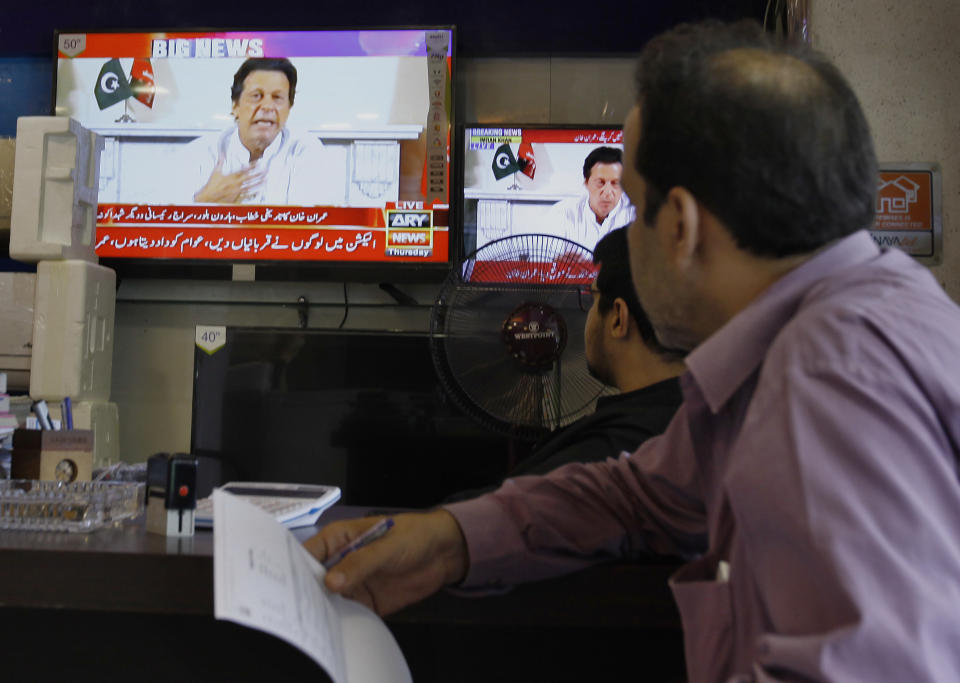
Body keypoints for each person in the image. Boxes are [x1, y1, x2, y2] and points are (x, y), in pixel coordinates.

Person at [305, 19, 960, 683]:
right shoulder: (859, 319)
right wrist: (448, 539)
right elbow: (637, 496)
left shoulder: (826, 381)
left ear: (681, 226)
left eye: (637, 210)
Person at [449, 226, 685, 501]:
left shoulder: (595, 462)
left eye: (592, 298)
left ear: (618, 318)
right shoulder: (709, 426)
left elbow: (491, 522)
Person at [177, 58, 342, 205]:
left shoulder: (308, 152)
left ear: (289, 108)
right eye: (256, 96)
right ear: (235, 106)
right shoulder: (198, 154)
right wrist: (204, 201)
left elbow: (317, 225)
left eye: (277, 98)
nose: (268, 107)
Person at [539, 146, 635, 249]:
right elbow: (545, 261)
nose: (607, 192)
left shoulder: (636, 216)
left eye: (615, 183)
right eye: (600, 183)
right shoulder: (562, 214)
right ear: (586, 183)